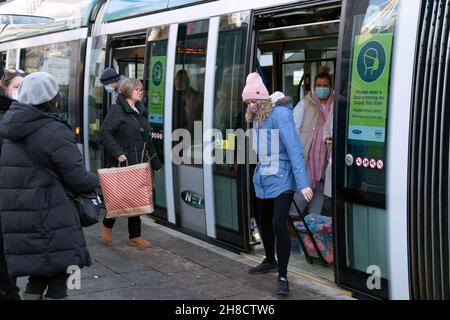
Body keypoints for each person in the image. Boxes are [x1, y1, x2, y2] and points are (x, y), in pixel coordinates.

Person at [0, 72, 99, 300]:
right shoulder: (53, 129)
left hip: (21, 215)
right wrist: (97, 181)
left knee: (38, 275)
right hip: (51, 213)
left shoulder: (10, 125)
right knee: (59, 279)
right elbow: (77, 178)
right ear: (52, 98)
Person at [243, 73, 313, 295]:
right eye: (247, 103)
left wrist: (303, 183)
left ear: (263, 98)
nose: (251, 105)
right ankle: (270, 260)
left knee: (278, 223)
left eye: (254, 101)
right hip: (263, 177)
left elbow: (294, 148)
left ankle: (283, 276)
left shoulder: (280, 113)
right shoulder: (255, 117)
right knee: (263, 221)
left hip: (283, 177)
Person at [100, 78, 162, 249]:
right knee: (120, 198)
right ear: (127, 90)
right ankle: (107, 224)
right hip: (124, 161)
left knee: (137, 200)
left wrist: (156, 163)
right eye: (137, 89)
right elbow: (105, 132)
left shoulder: (140, 110)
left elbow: (147, 139)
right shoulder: (117, 110)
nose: (140, 92)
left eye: (141, 89)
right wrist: (118, 152)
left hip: (140, 161)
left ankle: (134, 236)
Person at [293, 66, 334, 215]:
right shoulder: (306, 103)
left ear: (331, 87)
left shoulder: (335, 104)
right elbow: (294, 128)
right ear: (314, 87)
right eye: (319, 86)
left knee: (319, 190)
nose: (322, 89)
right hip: (308, 156)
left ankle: (312, 223)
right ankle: (292, 217)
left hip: (326, 157)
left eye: (325, 86)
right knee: (304, 189)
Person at [0, 69, 26, 300]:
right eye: (16, 87)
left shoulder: (28, 115)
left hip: (16, 195)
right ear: (5, 88)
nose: (20, 92)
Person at [323, 106, 333, 216]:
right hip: (332, 160)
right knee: (331, 202)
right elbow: (326, 126)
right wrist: (327, 138)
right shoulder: (335, 106)